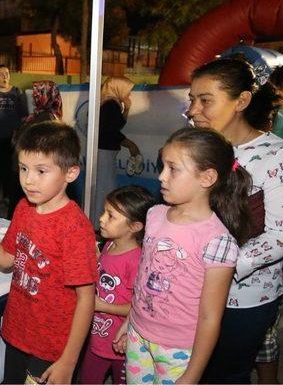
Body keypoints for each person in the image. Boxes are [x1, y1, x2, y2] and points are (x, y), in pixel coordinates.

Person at [186, 58, 283, 384]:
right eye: (191, 99)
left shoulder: (280, 157)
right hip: (187, 289)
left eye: (205, 100)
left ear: (241, 101)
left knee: (224, 375)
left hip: (242, 299)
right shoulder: (196, 148)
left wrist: (219, 267)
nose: (193, 110)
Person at [0, 121, 97, 384]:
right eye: (24, 168)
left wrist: (68, 361)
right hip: (18, 333)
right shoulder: (24, 208)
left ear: (71, 173)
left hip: (53, 348)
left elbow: (86, 299)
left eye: (41, 171)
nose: (29, 180)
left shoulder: (74, 227)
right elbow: (7, 258)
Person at [113, 127, 250, 384]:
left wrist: (193, 374)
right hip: (138, 335)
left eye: (173, 169)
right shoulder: (154, 215)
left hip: (178, 351)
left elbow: (210, 318)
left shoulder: (217, 241)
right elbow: (145, 278)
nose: (161, 176)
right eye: (162, 166)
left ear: (207, 177)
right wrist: (130, 321)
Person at [78, 186, 155, 385]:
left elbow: (138, 307)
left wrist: (102, 306)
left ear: (135, 226)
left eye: (111, 216)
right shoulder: (110, 244)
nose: (102, 219)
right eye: (104, 212)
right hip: (97, 337)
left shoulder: (137, 260)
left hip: (121, 343)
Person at [7, 80, 63, 218]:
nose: (34, 97)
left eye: (37, 94)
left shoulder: (45, 119)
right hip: (26, 169)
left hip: (31, 172)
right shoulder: (41, 115)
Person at [92, 76, 141, 229]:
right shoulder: (111, 105)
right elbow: (110, 131)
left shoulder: (109, 103)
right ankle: (99, 224)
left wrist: (126, 108)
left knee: (102, 185)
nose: (129, 94)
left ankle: (96, 222)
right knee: (105, 187)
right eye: (127, 91)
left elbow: (116, 125)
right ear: (118, 88)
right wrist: (129, 144)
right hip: (104, 151)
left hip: (104, 150)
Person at [0, 64, 28, 206]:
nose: (5, 76)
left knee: (10, 168)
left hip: (12, 138)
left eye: (7, 73)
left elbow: (23, 116)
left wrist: (17, 134)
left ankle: (8, 195)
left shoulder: (17, 92)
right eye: (1, 74)